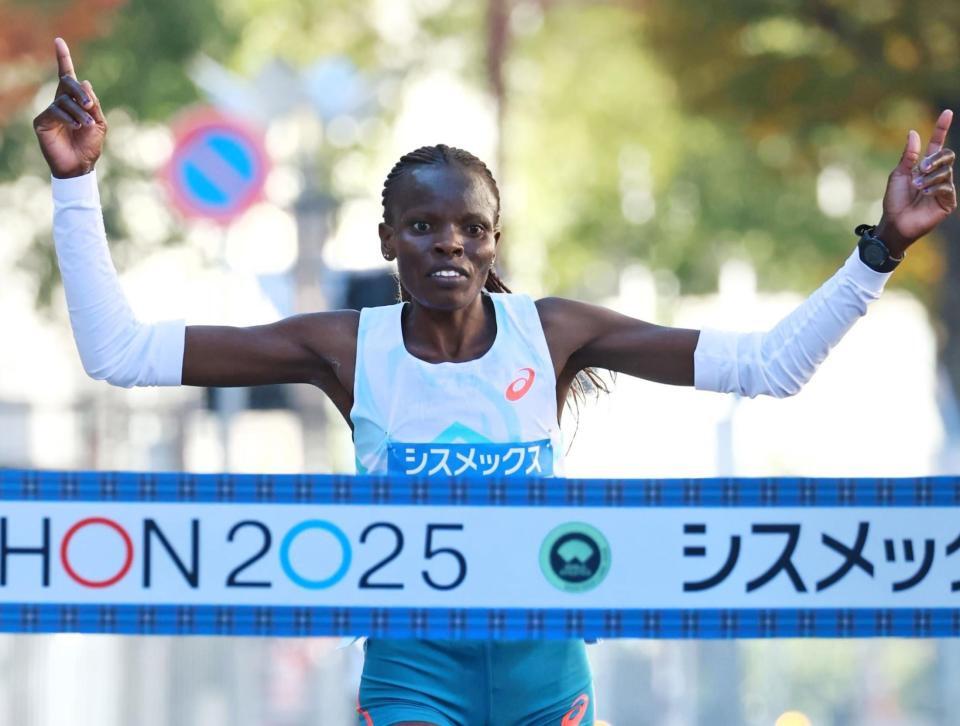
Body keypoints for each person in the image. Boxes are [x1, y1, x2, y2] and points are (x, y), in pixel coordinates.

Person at [34, 36, 956, 726]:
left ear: (493, 241)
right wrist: (76, 185)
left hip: (544, 671)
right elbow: (120, 352)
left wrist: (881, 248)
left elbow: (770, 367)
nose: (450, 244)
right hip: (411, 667)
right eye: (424, 227)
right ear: (388, 240)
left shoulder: (552, 335)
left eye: (471, 229)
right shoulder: (345, 348)